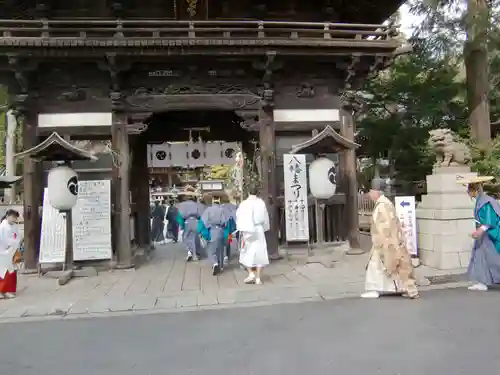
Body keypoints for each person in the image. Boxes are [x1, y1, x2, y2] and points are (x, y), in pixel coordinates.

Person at [362, 178, 419, 299]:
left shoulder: (382, 205)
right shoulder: (386, 203)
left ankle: (374, 288)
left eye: (371, 192)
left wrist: (382, 241)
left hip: (385, 241)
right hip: (391, 240)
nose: (370, 194)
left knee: (381, 265)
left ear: (377, 192)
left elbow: (385, 226)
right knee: (395, 265)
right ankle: (402, 288)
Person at [457, 175, 500, 291]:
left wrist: (479, 231)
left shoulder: (485, 202)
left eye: (469, 190)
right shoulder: (482, 200)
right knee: (480, 257)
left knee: (493, 258)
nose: (468, 193)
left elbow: (490, 220)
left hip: (489, 235)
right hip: (485, 235)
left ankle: (483, 282)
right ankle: (482, 281)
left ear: (474, 190)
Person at [236, 186, 270, 285]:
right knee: (260, 253)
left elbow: (239, 217)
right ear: (257, 193)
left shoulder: (244, 204)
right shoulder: (261, 203)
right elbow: (265, 217)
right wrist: (264, 227)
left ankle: (251, 273)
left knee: (246, 252)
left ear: (248, 193)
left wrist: (240, 228)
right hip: (259, 229)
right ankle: (258, 278)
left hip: (248, 230)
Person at [198, 193, 235, 275]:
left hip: (212, 231)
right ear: (219, 201)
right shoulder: (224, 210)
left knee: (211, 249)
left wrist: (200, 231)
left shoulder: (208, 210)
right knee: (220, 249)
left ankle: (215, 263)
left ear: (212, 201)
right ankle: (221, 266)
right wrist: (229, 233)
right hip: (222, 231)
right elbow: (229, 222)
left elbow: (202, 222)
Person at [176, 189, 204, 261]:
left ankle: (189, 251)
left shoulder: (181, 205)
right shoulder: (198, 205)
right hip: (196, 221)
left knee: (185, 237)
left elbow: (179, 217)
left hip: (187, 222)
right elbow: (202, 216)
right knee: (196, 238)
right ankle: (196, 254)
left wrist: (182, 225)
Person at [0, 209, 21, 299]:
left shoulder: (15, 226)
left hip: (12, 251)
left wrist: (16, 244)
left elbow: (18, 237)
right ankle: (1, 290)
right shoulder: (2, 227)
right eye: (12, 217)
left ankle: (9, 290)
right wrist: (9, 245)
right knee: (3, 272)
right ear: (7, 216)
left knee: (12, 272)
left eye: (15, 218)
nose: (14, 219)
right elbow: (2, 239)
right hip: (3, 251)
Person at [221, 200, 237, 264]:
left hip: (222, 230)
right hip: (229, 231)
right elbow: (232, 224)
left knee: (222, 243)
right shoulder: (230, 211)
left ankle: (224, 255)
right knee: (228, 243)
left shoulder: (221, 209)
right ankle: (227, 255)